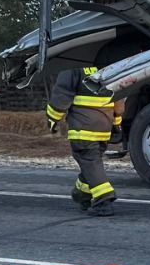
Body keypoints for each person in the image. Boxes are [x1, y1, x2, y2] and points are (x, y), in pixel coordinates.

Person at [46, 65, 125, 216]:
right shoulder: (109, 64)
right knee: (91, 163)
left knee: (89, 160)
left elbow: (62, 94)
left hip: (83, 128)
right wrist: (117, 123)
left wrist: (52, 118)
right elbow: (119, 97)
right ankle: (82, 193)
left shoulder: (74, 64)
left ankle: (104, 200)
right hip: (104, 127)